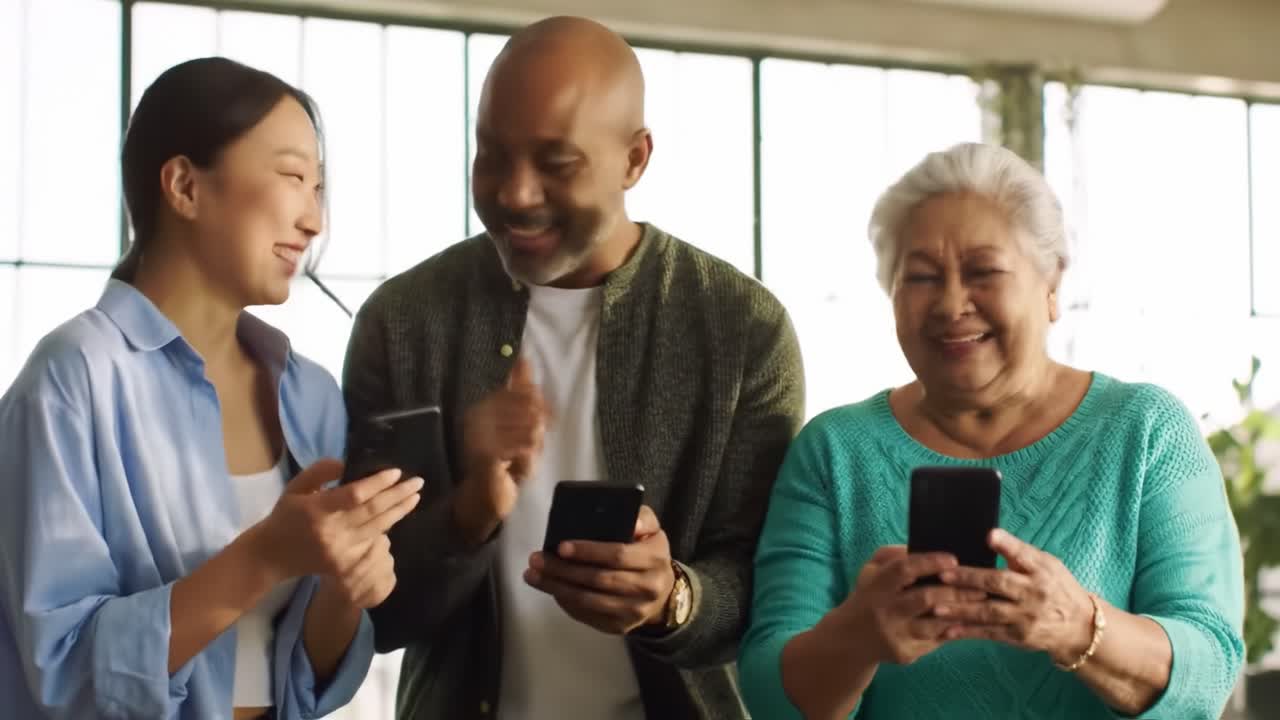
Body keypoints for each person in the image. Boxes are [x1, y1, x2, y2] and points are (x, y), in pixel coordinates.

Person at [342, 15, 805, 720]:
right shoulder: (405, 322)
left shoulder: (741, 328)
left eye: (555, 164)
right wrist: (467, 514)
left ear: (634, 160)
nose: (515, 193)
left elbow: (768, 586)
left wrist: (671, 597)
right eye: (491, 154)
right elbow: (373, 617)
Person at [738, 141, 1245, 720]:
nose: (952, 303)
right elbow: (766, 691)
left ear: (1051, 282)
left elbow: (1210, 670)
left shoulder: (1146, 432)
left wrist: (1079, 627)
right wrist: (857, 637)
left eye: (983, 271)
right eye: (921, 277)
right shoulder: (834, 451)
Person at [0, 57, 422, 720]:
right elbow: (60, 669)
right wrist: (261, 558)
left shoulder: (308, 394)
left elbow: (303, 682)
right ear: (184, 186)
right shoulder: (73, 378)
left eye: (318, 188)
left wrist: (345, 588)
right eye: (291, 177)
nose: (314, 221)